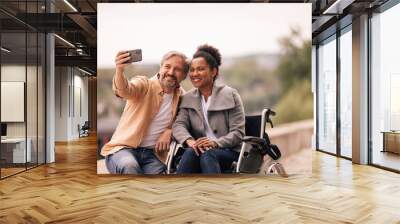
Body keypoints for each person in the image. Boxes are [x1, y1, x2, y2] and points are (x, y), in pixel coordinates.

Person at [101, 50, 189, 174]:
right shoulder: (144, 84)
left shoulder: (182, 97)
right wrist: (119, 70)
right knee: (130, 166)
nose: (170, 72)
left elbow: (186, 122)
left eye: (177, 69)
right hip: (122, 150)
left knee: (162, 180)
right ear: (161, 68)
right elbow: (124, 90)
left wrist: (170, 130)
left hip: (151, 156)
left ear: (184, 76)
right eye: (167, 67)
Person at [172, 44, 245, 174]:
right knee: (191, 151)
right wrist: (190, 141)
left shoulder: (230, 95)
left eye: (200, 69)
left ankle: (213, 193)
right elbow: (179, 125)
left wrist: (215, 143)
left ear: (214, 71)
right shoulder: (188, 98)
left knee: (208, 155)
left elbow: (237, 133)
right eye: (192, 70)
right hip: (199, 150)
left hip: (229, 152)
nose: (195, 74)